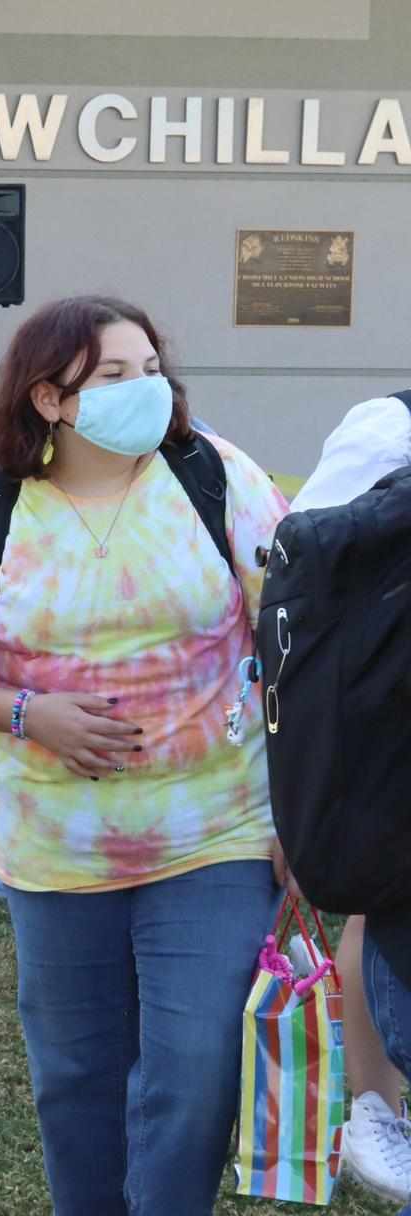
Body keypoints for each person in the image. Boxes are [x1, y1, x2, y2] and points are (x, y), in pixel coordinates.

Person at [0, 295, 290, 1213]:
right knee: (76, 1076)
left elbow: (295, 640)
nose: (143, 388)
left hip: (217, 832)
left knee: (194, 1072)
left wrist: (300, 815)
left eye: (151, 368)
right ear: (48, 397)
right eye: (113, 375)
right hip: (55, 846)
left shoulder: (216, 478)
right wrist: (32, 714)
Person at [283, 394, 411, 1205]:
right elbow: (299, 595)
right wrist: (298, 786)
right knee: (378, 902)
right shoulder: (390, 428)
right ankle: (377, 1106)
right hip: (393, 771)